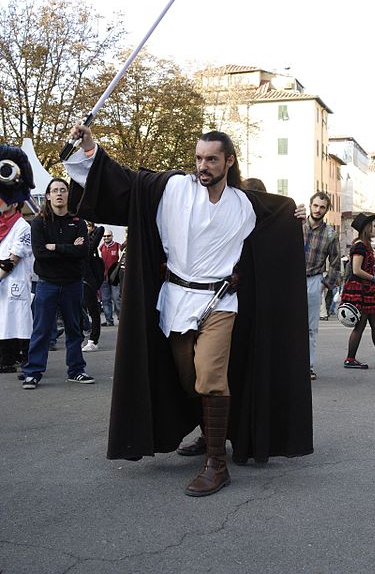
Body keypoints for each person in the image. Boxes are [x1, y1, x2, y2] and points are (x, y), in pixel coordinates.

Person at [64, 124, 313, 497]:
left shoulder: (245, 205)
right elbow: (123, 183)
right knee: (188, 378)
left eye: (212, 159)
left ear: (229, 161)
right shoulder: (172, 189)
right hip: (177, 302)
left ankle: (217, 464)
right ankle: (207, 431)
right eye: (199, 158)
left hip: (220, 303)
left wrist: (294, 218)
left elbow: (278, 218)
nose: (203, 165)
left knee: (210, 374)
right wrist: (89, 150)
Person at [21, 177, 95, 389]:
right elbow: (40, 253)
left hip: (72, 284)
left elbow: (83, 252)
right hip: (47, 284)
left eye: (63, 190)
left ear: (68, 195)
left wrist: (57, 247)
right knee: (42, 330)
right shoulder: (39, 223)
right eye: (55, 190)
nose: (59, 194)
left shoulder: (78, 222)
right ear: (48, 196)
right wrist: (68, 248)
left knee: (74, 329)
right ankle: (33, 372)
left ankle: (76, 370)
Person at [341, 213, 375, 370]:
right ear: (366, 228)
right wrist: (374, 279)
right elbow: (356, 270)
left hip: (368, 289)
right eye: (373, 226)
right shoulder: (360, 245)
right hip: (361, 290)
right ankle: (350, 359)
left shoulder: (365, 245)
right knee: (361, 325)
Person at [0, 144, 34, 374]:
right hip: (2, 283)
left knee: (16, 321)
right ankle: (7, 359)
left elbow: (13, 258)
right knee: (4, 323)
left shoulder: (22, 226)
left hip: (12, 280)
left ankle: (19, 358)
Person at [303, 192, 341, 380]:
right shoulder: (297, 225)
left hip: (313, 280)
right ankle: (287, 364)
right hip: (291, 280)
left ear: (327, 210)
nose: (318, 210)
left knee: (311, 327)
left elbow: (335, 264)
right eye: (315, 206)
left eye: (322, 207)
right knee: (287, 323)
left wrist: (324, 285)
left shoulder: (330, 234)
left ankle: (308, 366)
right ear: (310, 205)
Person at [82, 221, 105, 351]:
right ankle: (80, 338)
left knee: (93, 311)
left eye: (88, 226)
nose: (85, 228)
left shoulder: (90, 243)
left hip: (88, 281)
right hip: (76, 280)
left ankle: (93, 341)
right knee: (77, 311)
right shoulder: (76, 239)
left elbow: (101, 229)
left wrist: (90, 230)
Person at [100, 229, 121, 326]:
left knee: (117, 298)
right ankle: (109, 320)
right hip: (104, 278)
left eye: (108, 236)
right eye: (104, 236)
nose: (106, 238)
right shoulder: (101, 248)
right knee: (105, 299)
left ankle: (121, 318)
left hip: (115, 278)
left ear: (112, 236)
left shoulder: (118, 246)